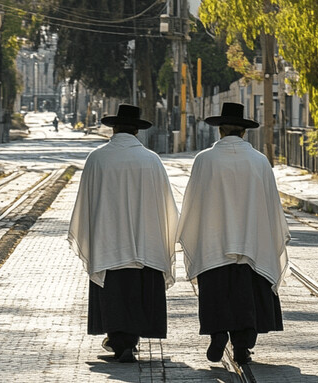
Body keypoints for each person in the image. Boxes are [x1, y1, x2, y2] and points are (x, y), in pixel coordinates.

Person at [176, 102, 290, 364]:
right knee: (247, 295)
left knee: (216, 292)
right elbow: (271, 206)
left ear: (220, 131)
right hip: (252, 245)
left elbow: (193, 203)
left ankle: (218, 335)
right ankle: (242, 345)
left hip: (214, 244)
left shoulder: (204, 160)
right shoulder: (260, 161)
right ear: (244, 132)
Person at [68, 104, 178, 363]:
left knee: (114, 294)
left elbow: (86, 203)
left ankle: (119, 341)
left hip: (109, 245)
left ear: (114, 128)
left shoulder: (97, 158)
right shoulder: (151, 160)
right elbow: (166, 207)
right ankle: (131, 339)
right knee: (139, 293)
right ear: (137, 131)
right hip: (145, 245)